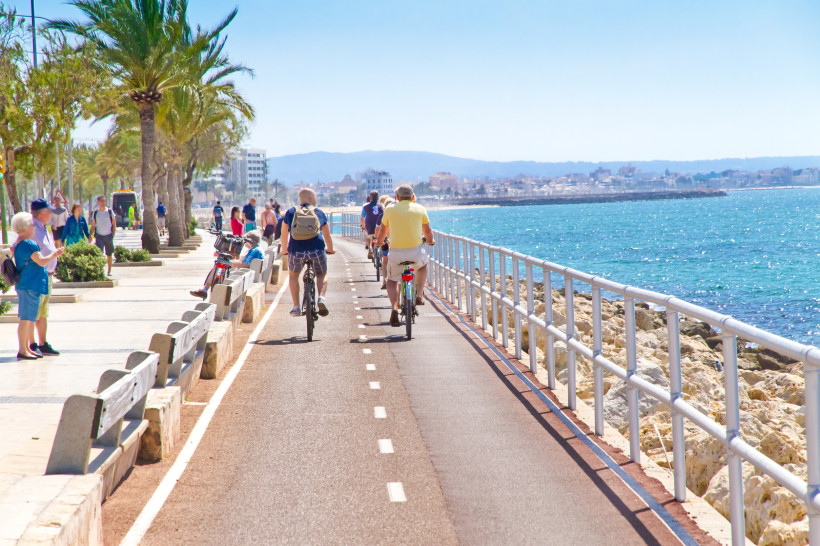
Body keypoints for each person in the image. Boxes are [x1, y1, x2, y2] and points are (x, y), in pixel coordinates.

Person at [376, 184, 435, 327]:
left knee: (391, 280)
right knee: (423, 266)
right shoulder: (420, 209)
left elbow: (383, 230)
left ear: (397, 197)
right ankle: (419, 296)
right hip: (415, 252)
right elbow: (427, 231)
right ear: (412, 196)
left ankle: (394, 308)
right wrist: (430, 241)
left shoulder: (390, 209)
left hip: (396, 252)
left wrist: (379, 243)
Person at [10, 212, 64, 360]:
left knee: (28, 319)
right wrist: (55, 254)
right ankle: (23, 350)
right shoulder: (29, 244)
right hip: (30, 285)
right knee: (26, 320)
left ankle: (26, 348)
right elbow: (41, 261)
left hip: (26, 285)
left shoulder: (19, 243)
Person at [281, 188, 335, 317]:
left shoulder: (291, 212)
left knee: (293, 276)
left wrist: (285, 250)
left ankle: (296, 307)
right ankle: (321, 298)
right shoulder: (318, 212)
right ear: (311, 198)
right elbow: (327, 235)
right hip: (316, 249)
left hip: (296, 250)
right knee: (322, 274)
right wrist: (331, 249)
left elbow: (284, 234)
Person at [29, 199, 64, 355]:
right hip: (36, 275)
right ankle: (32, 344)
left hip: (47, 275)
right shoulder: (32, 230)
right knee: (32, 313)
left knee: (43, 312)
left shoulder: (44, 228)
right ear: (41, 213)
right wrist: (54, 254)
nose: (50, 214)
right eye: (47, 211)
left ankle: (43, 343)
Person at [89, 195, 116, 276]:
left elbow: (114, 224)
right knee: (99, 254)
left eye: (104, 201)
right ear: (98, 202)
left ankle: (109, 270)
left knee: (109, 254)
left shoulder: (109, 212)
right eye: (101, 201)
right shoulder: (96, 213)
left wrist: (113, 235)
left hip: (108, 235)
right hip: (99, 236)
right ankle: (100, 270)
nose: (103, 203)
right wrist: (90, 235)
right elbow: (93, 225)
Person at [360, 190, 383, 259]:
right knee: (380, 239)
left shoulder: (365, 206)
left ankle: (370, 248)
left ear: (370, 198)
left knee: (369, 237)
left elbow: (362, 219)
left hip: (369, 227)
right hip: (380, 228)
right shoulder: (382, 206)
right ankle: (380, 253)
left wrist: (363, 226)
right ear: (378, 198)